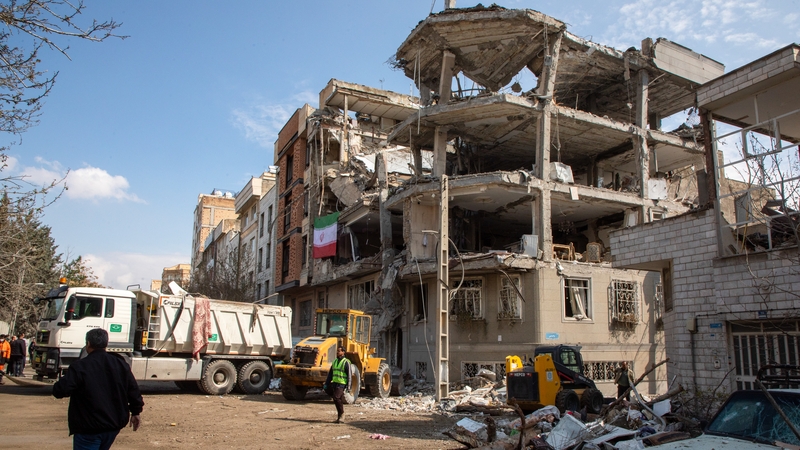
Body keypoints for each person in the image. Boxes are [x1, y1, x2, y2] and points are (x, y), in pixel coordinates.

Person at [53, 329, 144, 449]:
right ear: (106, 344)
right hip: (113, 425)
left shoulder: (80, 366)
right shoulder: (120, 364)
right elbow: (133, 390)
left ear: (88, 343)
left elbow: (60, 390)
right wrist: (136, 412)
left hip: (88, 427)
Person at [323, 346, 351, 423]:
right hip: (335, 383)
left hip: (342, 383)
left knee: (336, 398)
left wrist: (349, 387)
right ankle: (340, 416)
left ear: (343, 352)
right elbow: (330, 374)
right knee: (337, 399)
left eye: (339, 351)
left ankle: (342, 414)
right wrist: (326, 384)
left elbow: (349, 375)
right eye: (337, 351)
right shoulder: (335, 361)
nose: (337, 352)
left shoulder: (346, 362)